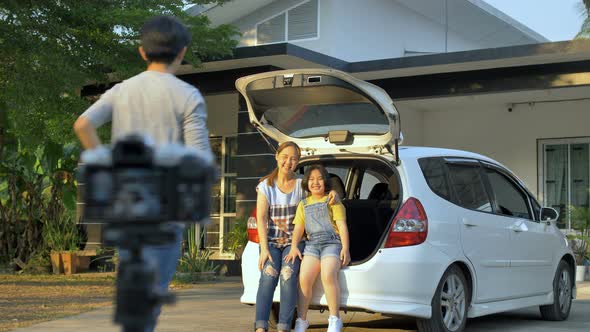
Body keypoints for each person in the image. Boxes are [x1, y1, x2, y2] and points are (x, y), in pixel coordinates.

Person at [73, 15, 213, 332]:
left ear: (142, 52)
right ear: (182, 52)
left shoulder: (122, 90)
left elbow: (83, 124)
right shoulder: (187, 95)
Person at [254, 142, 338, 332]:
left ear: (298, 162)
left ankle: (284, 327)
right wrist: (264, 249)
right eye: (285, 157)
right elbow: (260, 219)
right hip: (272, 243)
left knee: (288, 275)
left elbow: (321, 194)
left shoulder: (302, 184)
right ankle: (260, 327)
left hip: (295, 243)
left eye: (293, 159)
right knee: (268, 276)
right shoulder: (265, 186)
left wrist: (334, 193)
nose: (288, 162)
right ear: (277, 156)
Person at [286, 164, 350, 332]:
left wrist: (346, 249)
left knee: (328, 274)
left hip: (332, 243)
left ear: (326, 182)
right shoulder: (303, 204)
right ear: (307, 183)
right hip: (312, 245)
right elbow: (299, 228)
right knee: (304, 278)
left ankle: (335, 319)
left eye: (320, 179)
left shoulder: (333, 200)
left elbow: (342, 226)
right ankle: (301, 320)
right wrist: (293, 246)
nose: (316, 183)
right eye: (312, 179)